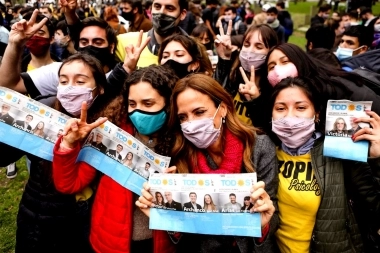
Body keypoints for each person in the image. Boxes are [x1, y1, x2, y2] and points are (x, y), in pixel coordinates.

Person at [136, 73, 278, 252]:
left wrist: (263, 224)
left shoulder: (259, 146)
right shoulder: (180, 156)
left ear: (223, 109)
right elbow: (181, 234)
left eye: (199, 112)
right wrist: (166, 212)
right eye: (183, 117)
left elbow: (272, 211)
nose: (190, 123)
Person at [53, 65, 179, 253]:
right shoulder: (111, 135)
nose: (138, 112)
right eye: (132, 104)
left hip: (159, 244)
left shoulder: (182, 143)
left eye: (148, 103)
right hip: (109, 241)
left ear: (169, 103)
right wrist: (68, 145)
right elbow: (68, 184)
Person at [0, 53, 107, 253]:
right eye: (63, 81)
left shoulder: (108, 122)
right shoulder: (42, 111)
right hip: (41, 220)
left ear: (99, 88)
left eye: (80, 81)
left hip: (88, 223)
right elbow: (3, 156)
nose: (69, 88)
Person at [271, 77, 380, 252]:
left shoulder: (340, 153)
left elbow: (375, 204)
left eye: (301, 107)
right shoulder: (266, 153)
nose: (289, 116)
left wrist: (377, 159)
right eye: (280, 108)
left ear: (317, 115)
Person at [0, 9, 120, 107]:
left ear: (111, 47)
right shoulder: (60, 71)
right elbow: (8, 85)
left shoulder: (124, 77)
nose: (90, 46)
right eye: (84, 42)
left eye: (97, 42)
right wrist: (14, 45)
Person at [264, 43, 380, 129]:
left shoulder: (332, 89)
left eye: (285, 62)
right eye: (272, 66)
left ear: (300, 62)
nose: (277, 70)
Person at [214, 24, 278, 129]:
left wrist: (256, 101)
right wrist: (224, 60)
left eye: (258, 46)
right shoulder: (234, 77)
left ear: (270, 52)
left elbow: (269, 130)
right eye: (247, 45)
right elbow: (215, 98)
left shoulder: (273, 90)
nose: (250, 51)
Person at [115, 0, 189, 66]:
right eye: (157, 6)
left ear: (182, 14)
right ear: (151, 10)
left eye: (169, 8)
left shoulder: (193, 50)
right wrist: (125, 70)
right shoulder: (124, 42)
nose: (161, 12)